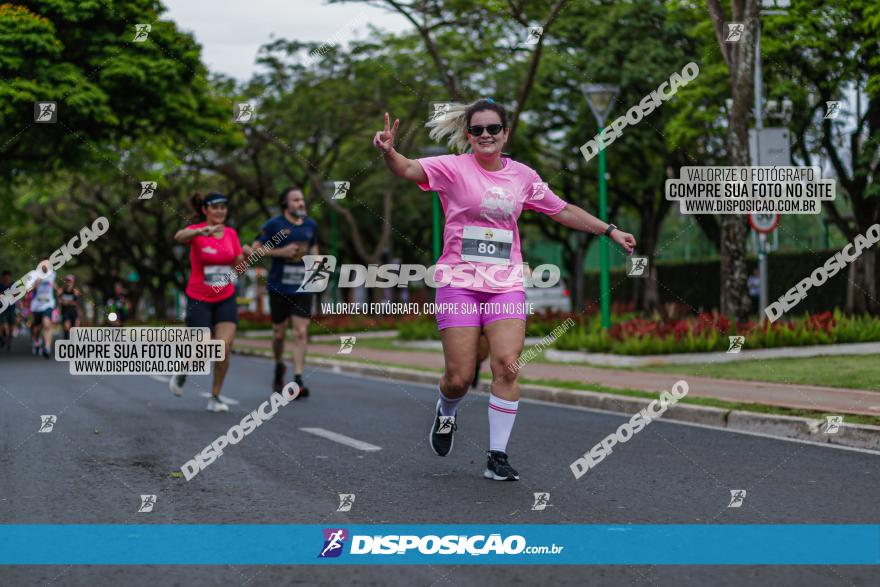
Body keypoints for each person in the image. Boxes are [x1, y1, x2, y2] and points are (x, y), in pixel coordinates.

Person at [373, 100, 636, 481]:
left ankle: (497, 456)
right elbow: (408, 168)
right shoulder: (452, 167)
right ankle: (446, 412)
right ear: (468, 135)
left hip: (505, 285)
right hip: (458, 283)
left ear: (505, 133)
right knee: (459, 377)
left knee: (506, 367)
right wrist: (389, 152)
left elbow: (561, 210)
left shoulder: (523, 177)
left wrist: (609, 230)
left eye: (492, 129)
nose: (485, 136)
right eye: (477, 130)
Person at [170, 191, 253, 412]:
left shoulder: (231, 235)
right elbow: (178, 237)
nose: (220, 211)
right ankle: (183, 370)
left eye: (223, 208)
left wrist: (247, 257)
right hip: (199, 297)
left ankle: (215, 397)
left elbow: (238, 269)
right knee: (203, 345)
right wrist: (202, 231)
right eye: (215, 207)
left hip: (225, 296)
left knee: (224, 347)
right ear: (205, 210)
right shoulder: (197, 231)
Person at [252, 187, 319, 397]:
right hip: (279, 286)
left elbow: (314, 248)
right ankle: (279, 365)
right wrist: (280, 251)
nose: (301, 203)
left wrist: (315, 267)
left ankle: (298, 379)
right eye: (296, 200)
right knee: (279, 334)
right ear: (286, 204)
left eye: (302, 199)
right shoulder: (274, 225)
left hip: (302, 287)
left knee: (300, 332)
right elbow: (255, 249)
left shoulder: (310, 225)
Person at [29, 261, 57, 359]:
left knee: (47, 324)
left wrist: (55, 286)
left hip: (48, 304)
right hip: (36, 305)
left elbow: (55, 287)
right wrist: (37, 282)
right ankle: (36, 341)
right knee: (36, 328)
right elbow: (29, 289)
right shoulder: (34, 275)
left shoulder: (52, 274)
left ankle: (47, 347)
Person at [58, 274, 81, 339]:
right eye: (67, 281)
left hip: (73, 311)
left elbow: (76, 302)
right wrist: (64, 302)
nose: (68, 283)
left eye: (70, 281)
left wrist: (66, 302)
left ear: (73, 282)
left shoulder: (75, 291)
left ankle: (74, 342)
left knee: (76, 328)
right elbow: (59, 301)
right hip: (65, 311)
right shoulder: (61, 290)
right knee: (66, 327)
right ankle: (66, 340)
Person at [0, 270, 16, 351]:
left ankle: (9, 342)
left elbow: (17, 294)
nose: (6, 279)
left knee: (11, 328)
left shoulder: (13, 284)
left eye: (8, 278)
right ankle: (2, 338)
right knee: (2, 326)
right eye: (5, 278)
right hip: (2, 308)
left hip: (11, 308)